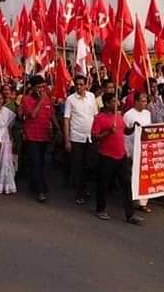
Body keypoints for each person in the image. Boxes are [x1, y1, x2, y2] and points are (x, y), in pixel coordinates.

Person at [91, 95, 142, 225]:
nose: (117, 103)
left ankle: (130, 214)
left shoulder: (119, 116)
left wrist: (132, 128)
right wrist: (108, 132)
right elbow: (95, 137)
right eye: (114, 101)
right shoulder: (99, 118)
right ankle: (101, 209)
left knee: (126, 183)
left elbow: (124, 131)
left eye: (117, 101)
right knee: (103, 184)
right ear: (107, 103)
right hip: (106, 156)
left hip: (121, 155)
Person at [19, 75, 55, 203]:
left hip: (44, 136)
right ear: (32, 88)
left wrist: (57, 129)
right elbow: (33, 114)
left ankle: (35, 183)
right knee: (36, 162)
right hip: (32, 137)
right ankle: (40, 191)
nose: (41, 89)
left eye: (43, 87)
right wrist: (40, 100)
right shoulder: (26, 99)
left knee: (42, 163)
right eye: (39, 87)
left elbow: (51, 114)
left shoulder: (47, 98)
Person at [64, 75, 98, 205]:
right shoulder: (70, 100)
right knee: (78, 166)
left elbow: (95, 115)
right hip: (76, 137)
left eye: (81, 84)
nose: (79, 87)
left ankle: (85, 187)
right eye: (77, 84)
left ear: (86, 85)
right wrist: (67, 140)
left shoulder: (91, 97)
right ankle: (80, 193)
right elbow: (66, 120)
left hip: (90, 137)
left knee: (90, 165)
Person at [123, 92, 152, 213]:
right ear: (136, 101)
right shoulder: (128, 115)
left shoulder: (147, 113)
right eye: (142, 101)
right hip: (133, 149)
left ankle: (143, 202)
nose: (145, 103)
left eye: (146, 101)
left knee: (145, 175)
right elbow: (125, 134)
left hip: (145, 149)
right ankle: (132, 198)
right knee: (133, 176)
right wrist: (127, 152)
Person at [0, 92, 18, 195]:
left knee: (4, 162)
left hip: (4, 138)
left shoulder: (6, 111)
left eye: (1, 99)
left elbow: (6, 125)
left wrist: (11, 139)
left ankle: (5, 186)